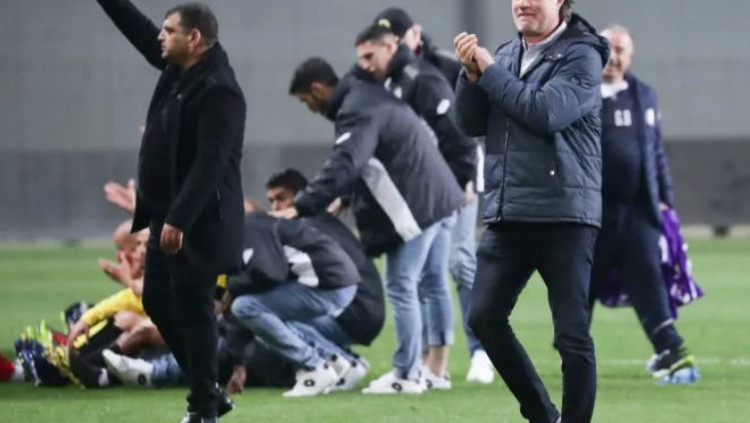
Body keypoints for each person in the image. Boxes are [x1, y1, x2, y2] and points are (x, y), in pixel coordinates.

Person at [453, 0, 609, 421]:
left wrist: (489, 72)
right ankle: (542, 415)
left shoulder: (582, 54)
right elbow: (470, 124)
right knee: (483, 318)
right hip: (510, 212)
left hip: (564, 215)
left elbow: (544, 113)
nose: (522, 2)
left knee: (571, 335)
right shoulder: (505, 54)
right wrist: (470, 77)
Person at [94, 1, 246, 421]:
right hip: (167, 216)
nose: (160, 37)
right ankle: (209, 391)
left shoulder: (220, 90)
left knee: (194, 310)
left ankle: (203, 409)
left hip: (202, 222)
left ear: (193, 38)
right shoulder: (180, 68)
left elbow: (211, 162)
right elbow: (141, 31)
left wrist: (180, 217)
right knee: (159, 301)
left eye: (169, 31)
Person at [283, 58, 463, 394]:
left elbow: (346, 162)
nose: (310, 109)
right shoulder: (368, 95)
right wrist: (346, 197)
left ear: (318, 89)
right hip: (439, 197)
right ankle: (434, 371)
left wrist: (302, 205)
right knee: (432, 283)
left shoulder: (355, 107)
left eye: (307, 101)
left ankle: (407, 374)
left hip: (418, 205)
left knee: (401, 285)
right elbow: (372, 156)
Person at [370, 8, 496, 384]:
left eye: (399, 37)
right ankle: (430, 359)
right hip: (425, 188)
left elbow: (467, 125)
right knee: (430, 271)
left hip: (459, 177)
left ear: (415, 33)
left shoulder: (441, 66)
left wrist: (466, 179)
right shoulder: (391, 77)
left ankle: (481, 350)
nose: (395, 45)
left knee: (459, 260)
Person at [590, 25, 698, 383]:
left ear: (631, 56)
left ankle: (670, 348)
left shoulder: (644, 95)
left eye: (620, 49)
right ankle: (572, 348)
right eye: (607, 47)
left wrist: (666, 200)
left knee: (649, 281)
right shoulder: (578, 92)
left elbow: (655, 151)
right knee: (580, 286)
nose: (614, 56)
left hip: (638, 212)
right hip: (591, 214)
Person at [265, 169, 386, 390]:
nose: (276, 207)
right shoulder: (322, 221)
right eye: (271, 201)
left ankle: (340, 362)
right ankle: (350, 360)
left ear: (300, 196)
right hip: (367, 310)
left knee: (270, 312)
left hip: (355, 311)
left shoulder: (305, 227)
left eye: (281, 199)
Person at [225, 212, 359, 397]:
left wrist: (230, 288)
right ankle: (331, 359)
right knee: (260, 310)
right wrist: (239, 364)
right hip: (336, 283)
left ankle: (314, 366)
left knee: (244, 307)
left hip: (328, 284)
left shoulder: (249, 228)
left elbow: (270, 273)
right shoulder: (245, 229)